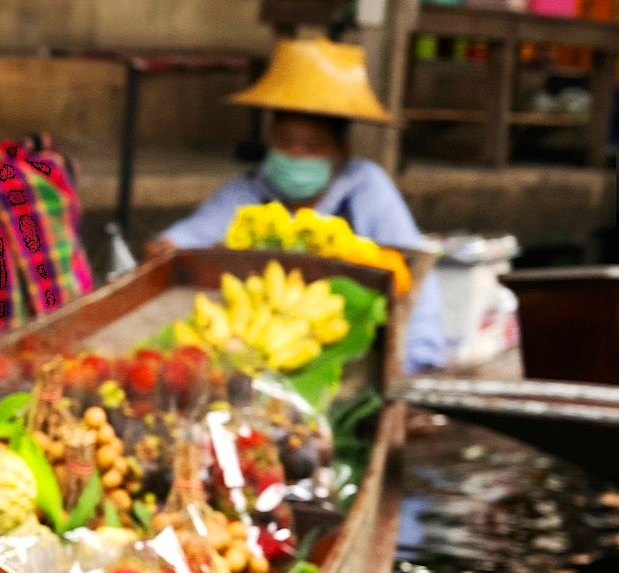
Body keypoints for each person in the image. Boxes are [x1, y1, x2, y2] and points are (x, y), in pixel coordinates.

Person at [146, 39, 444, 370]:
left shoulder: (366, 189)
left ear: (340, 151)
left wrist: (418, 360)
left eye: (312, 146)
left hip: (356, 360)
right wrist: (165, 249)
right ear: (269, 142)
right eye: (285, 143)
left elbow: (415, 279)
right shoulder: (250, 191)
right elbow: (190, 237)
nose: (296, 155)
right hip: (258, 351)